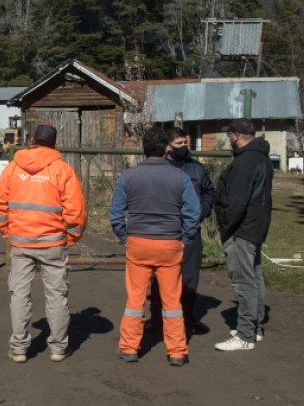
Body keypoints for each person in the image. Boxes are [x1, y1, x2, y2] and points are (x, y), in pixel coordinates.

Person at [0, 124, 87, 364]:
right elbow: (76, 212)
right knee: (56, 295)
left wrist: (8, 233)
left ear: (32, 140)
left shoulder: (13, 168)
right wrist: (69, 238)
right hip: (53, 243)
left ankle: (19, 349)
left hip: (21, 242)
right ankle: (57, 348)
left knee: (19, 295)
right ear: (54, 143)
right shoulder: (62, 170)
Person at [109, 127, 201, 367]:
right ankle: (177, 351)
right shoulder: (179, 176)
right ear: (167, 149)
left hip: (138, 243)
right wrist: (185, 238)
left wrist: (124, 237)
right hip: (170, 243)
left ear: (143, 148)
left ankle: (129, 347)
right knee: (172, 301)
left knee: (135, 299)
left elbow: (116, 213)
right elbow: (193, 211)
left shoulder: (129, 176)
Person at [147, 127, 216, 336]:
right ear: (168, 146)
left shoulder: (196, 169)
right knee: (160, 278)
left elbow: (208, 192)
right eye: (179, 144)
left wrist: (200, 212)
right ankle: (157, 320)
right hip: (167, 232)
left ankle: (188, 320)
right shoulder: (160, 169)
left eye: (186, 143)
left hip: (191, 231)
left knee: (189, 278)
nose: (184, 147)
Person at [214, 118, 273, 352]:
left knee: (244, 281)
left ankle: (246, 334)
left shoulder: (245, 162)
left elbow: (236, 200)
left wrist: (225, 225)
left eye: (229, 136)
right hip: (256, 225)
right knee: (255, 275)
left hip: (243, 228)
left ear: (236, 135)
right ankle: (254, 327)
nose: (229, 140)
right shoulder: (262, 158)